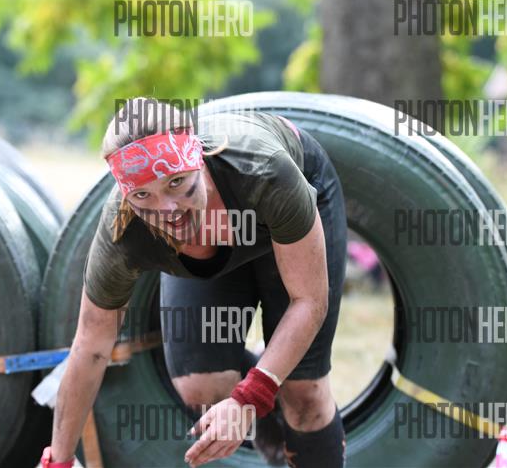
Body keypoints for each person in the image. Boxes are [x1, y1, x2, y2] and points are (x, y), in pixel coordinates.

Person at [40, 97, 347, 468]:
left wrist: (250, 397)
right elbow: (90, 345)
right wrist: (58, 460)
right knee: (202, 387)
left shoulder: (263, 171)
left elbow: (309, 301)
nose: (167, 210)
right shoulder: (122, 233)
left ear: (197, 161)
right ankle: (273, 436)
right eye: (142, 194)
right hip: (224, 236)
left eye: (176, 182)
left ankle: (281, 403)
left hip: (285, 208)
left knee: (304, 394)